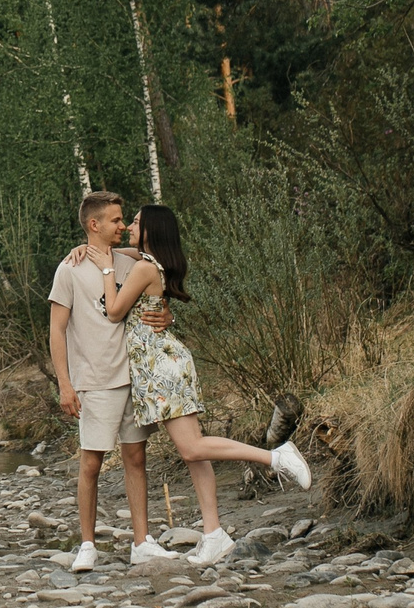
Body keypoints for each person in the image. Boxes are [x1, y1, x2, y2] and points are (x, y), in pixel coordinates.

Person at [81, 202, 311, 567]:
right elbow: (116, 250)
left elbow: (113, 310)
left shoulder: (142, 268)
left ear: (152, 231)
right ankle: (214, 534)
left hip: (161, 367)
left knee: (192, 448)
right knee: (196, 454)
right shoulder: (148, 262)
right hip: (163, 363)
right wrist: (91, 249)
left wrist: (106, 267)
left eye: (136, 222)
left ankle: (276, 456)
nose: (128, 227)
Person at [48, 190, 173, 570]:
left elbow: (159, 285)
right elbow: (56, 331)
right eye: (117, 220)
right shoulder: (69, 268)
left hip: (134, 377)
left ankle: (142, 541)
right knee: (91, 463)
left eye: (124, 220)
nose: (122, 226)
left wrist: (167, 316)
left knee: (136, 458)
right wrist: (65, 385)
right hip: (95, 380)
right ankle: (87, 544)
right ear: (94, 225)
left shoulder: (129, 261)